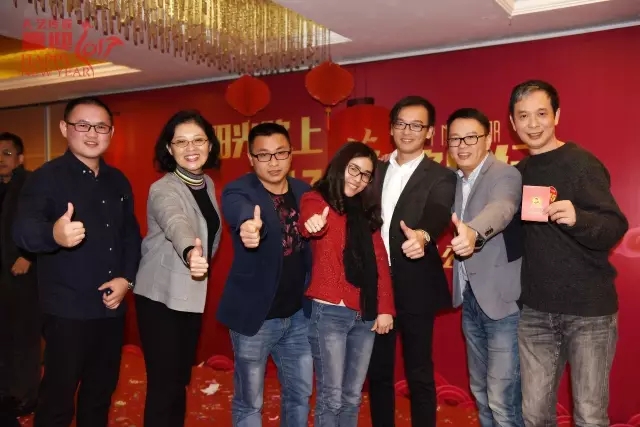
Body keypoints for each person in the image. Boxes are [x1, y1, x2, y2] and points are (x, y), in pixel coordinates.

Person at [12, 96, 142, 427]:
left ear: (111, 132)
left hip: (111, 309)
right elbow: (23, 231)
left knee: (100, 395)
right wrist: (53, 234)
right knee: (58, 399)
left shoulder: (118, 180)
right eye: (82, 125)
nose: (92, 133)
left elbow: (130, 236)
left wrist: (126, 279)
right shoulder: (46, 178)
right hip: (66, 311)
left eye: (101, 127)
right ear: (64, 128)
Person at [510, 80, 628, 427]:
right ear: (513, 123)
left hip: (588, 312)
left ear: (557, 116)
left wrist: (580, 218)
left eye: (541, 114)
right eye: (524, 116)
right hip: (535, 311)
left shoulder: (581, 163)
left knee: (590, 416)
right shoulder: (517, 174)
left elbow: (614, 226)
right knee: (534, 415)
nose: (533, 124)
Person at [367, 95, 456, 427]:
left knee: (419, 371)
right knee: (378, 372)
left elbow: (438, 211)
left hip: (415, 283)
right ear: (391, 128)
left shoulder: (441, 176)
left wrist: (423, 235)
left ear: (429, 132)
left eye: (416, 125)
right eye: (401, 124)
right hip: (375, 285)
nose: (407, 131)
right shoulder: (372, 169)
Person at [217, 122, 313, 427]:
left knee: (300, 394)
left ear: (291, 154)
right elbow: (239, 210)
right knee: (250, 401)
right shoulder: (239, 190)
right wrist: (248, 225)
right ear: (251, 158)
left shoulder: (305, 191)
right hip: (255, 317)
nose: (273, 162)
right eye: (264, 155)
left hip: (298, 315)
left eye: (280, 153)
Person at [133, 110, 222, 427]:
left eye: (198, 140)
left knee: (180, 379)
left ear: (209, 145)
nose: (191, 148)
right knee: (164, 385)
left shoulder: (206, 183)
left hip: (190, 294)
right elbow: (176, 222)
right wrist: (191, 250)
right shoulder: (163, 189)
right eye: (181, 142)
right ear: (169, 149)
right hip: (159, 297)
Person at [299, 141, 395, 427]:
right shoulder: (316, 199)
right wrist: (313, 224)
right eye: (353, 169)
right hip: (329, 312)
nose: (358, 179)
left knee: (352, 396)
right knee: (331, 397)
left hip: (364, 313)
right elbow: (309, 221)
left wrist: (385, 308)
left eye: (365, 174)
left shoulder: (366, 214)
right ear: (340, 166)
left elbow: (380, 262)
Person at [446, 108, 524, 427]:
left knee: (502, 399)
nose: (462, 145)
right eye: (455, 139)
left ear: (488, 140)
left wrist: (473, 233)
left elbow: (502, 208)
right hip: (470, 300)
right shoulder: (452, 181)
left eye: (471, 137)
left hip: (502, 304)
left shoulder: (505, 174)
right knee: (480, 392)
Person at [0, 133, 39, 421]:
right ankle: (4, 393)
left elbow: (44, 224)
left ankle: (26, 395)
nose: (1, 159)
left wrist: (29, 256)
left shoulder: (31, 184)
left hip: (23, 273)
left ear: (20, 158)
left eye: (7, 153)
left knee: (23, 337)